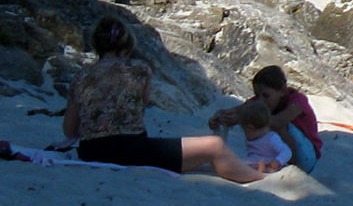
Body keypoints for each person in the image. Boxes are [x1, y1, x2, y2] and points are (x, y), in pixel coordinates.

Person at [62, 16, 275, 182]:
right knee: (214, 146)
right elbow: (143, 103)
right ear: (127, 45)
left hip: (90, 150)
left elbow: (70, 130)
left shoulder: (81, 75)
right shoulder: (139, 69)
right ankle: (259, 178)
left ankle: (245, 168)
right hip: (130, 149)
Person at [210, 64, 323, 172]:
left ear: (283, 91)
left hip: (306, 155)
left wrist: (241, 119)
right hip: (281, 151)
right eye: (257, 95)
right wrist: (219, 118)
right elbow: (236, 111)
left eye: (266, 96)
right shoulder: (261, 101)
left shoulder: (297, 101)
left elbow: (279, 121)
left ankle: (292, 168)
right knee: (255, 116)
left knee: (273, 124)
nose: (261, 100)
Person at [232, 99, 294, 171]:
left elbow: (286, 151)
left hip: (271, 165)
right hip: (255, 163)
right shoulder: (254, 138)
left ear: (251, 128)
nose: (245, 135)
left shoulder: (271, 138)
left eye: (245, 131)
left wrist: (278, 160)